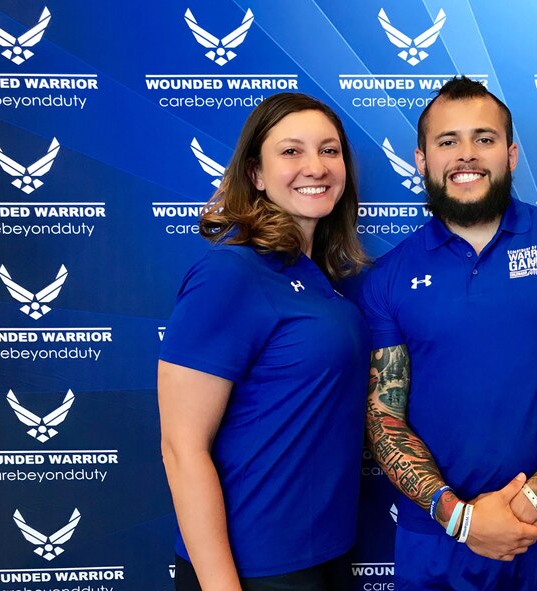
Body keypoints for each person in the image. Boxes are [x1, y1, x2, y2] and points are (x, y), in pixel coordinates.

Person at [359, 77, 537, 590]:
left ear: (511, 154)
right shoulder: (387, 277)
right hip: (438, 554)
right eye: (448, 142)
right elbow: (384, 419)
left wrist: (526, 504)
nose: (466, 155)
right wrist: (463, 520)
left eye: (484, 139)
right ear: (421, 160)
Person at [158, 93, 370, 591]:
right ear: (255, 173)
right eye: (291, 152)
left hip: (326, 555)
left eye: (330, 150)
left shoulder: (316, 278)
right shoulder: (230, 272)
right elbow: (180, 447)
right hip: (253, 569)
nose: (315, 167)